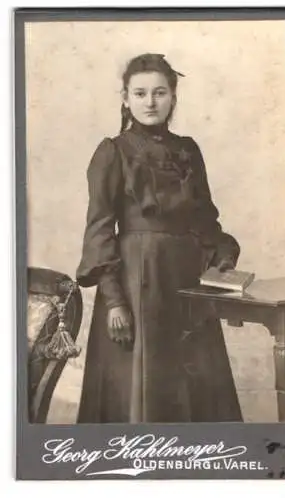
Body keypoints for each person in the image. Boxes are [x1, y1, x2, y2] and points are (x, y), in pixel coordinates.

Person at [76, 53, 242, 423]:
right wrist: (115, 302)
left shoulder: (188, 150)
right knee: (139, 389)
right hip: (137, 285)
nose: (150, 102)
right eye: (140, 93)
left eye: (159, 92)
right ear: (125, 98)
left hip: (186, 284)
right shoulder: (113, 152)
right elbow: (100, 228)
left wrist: (223, 265)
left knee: (194, 382)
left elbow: (206, 221)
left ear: (173, 97)